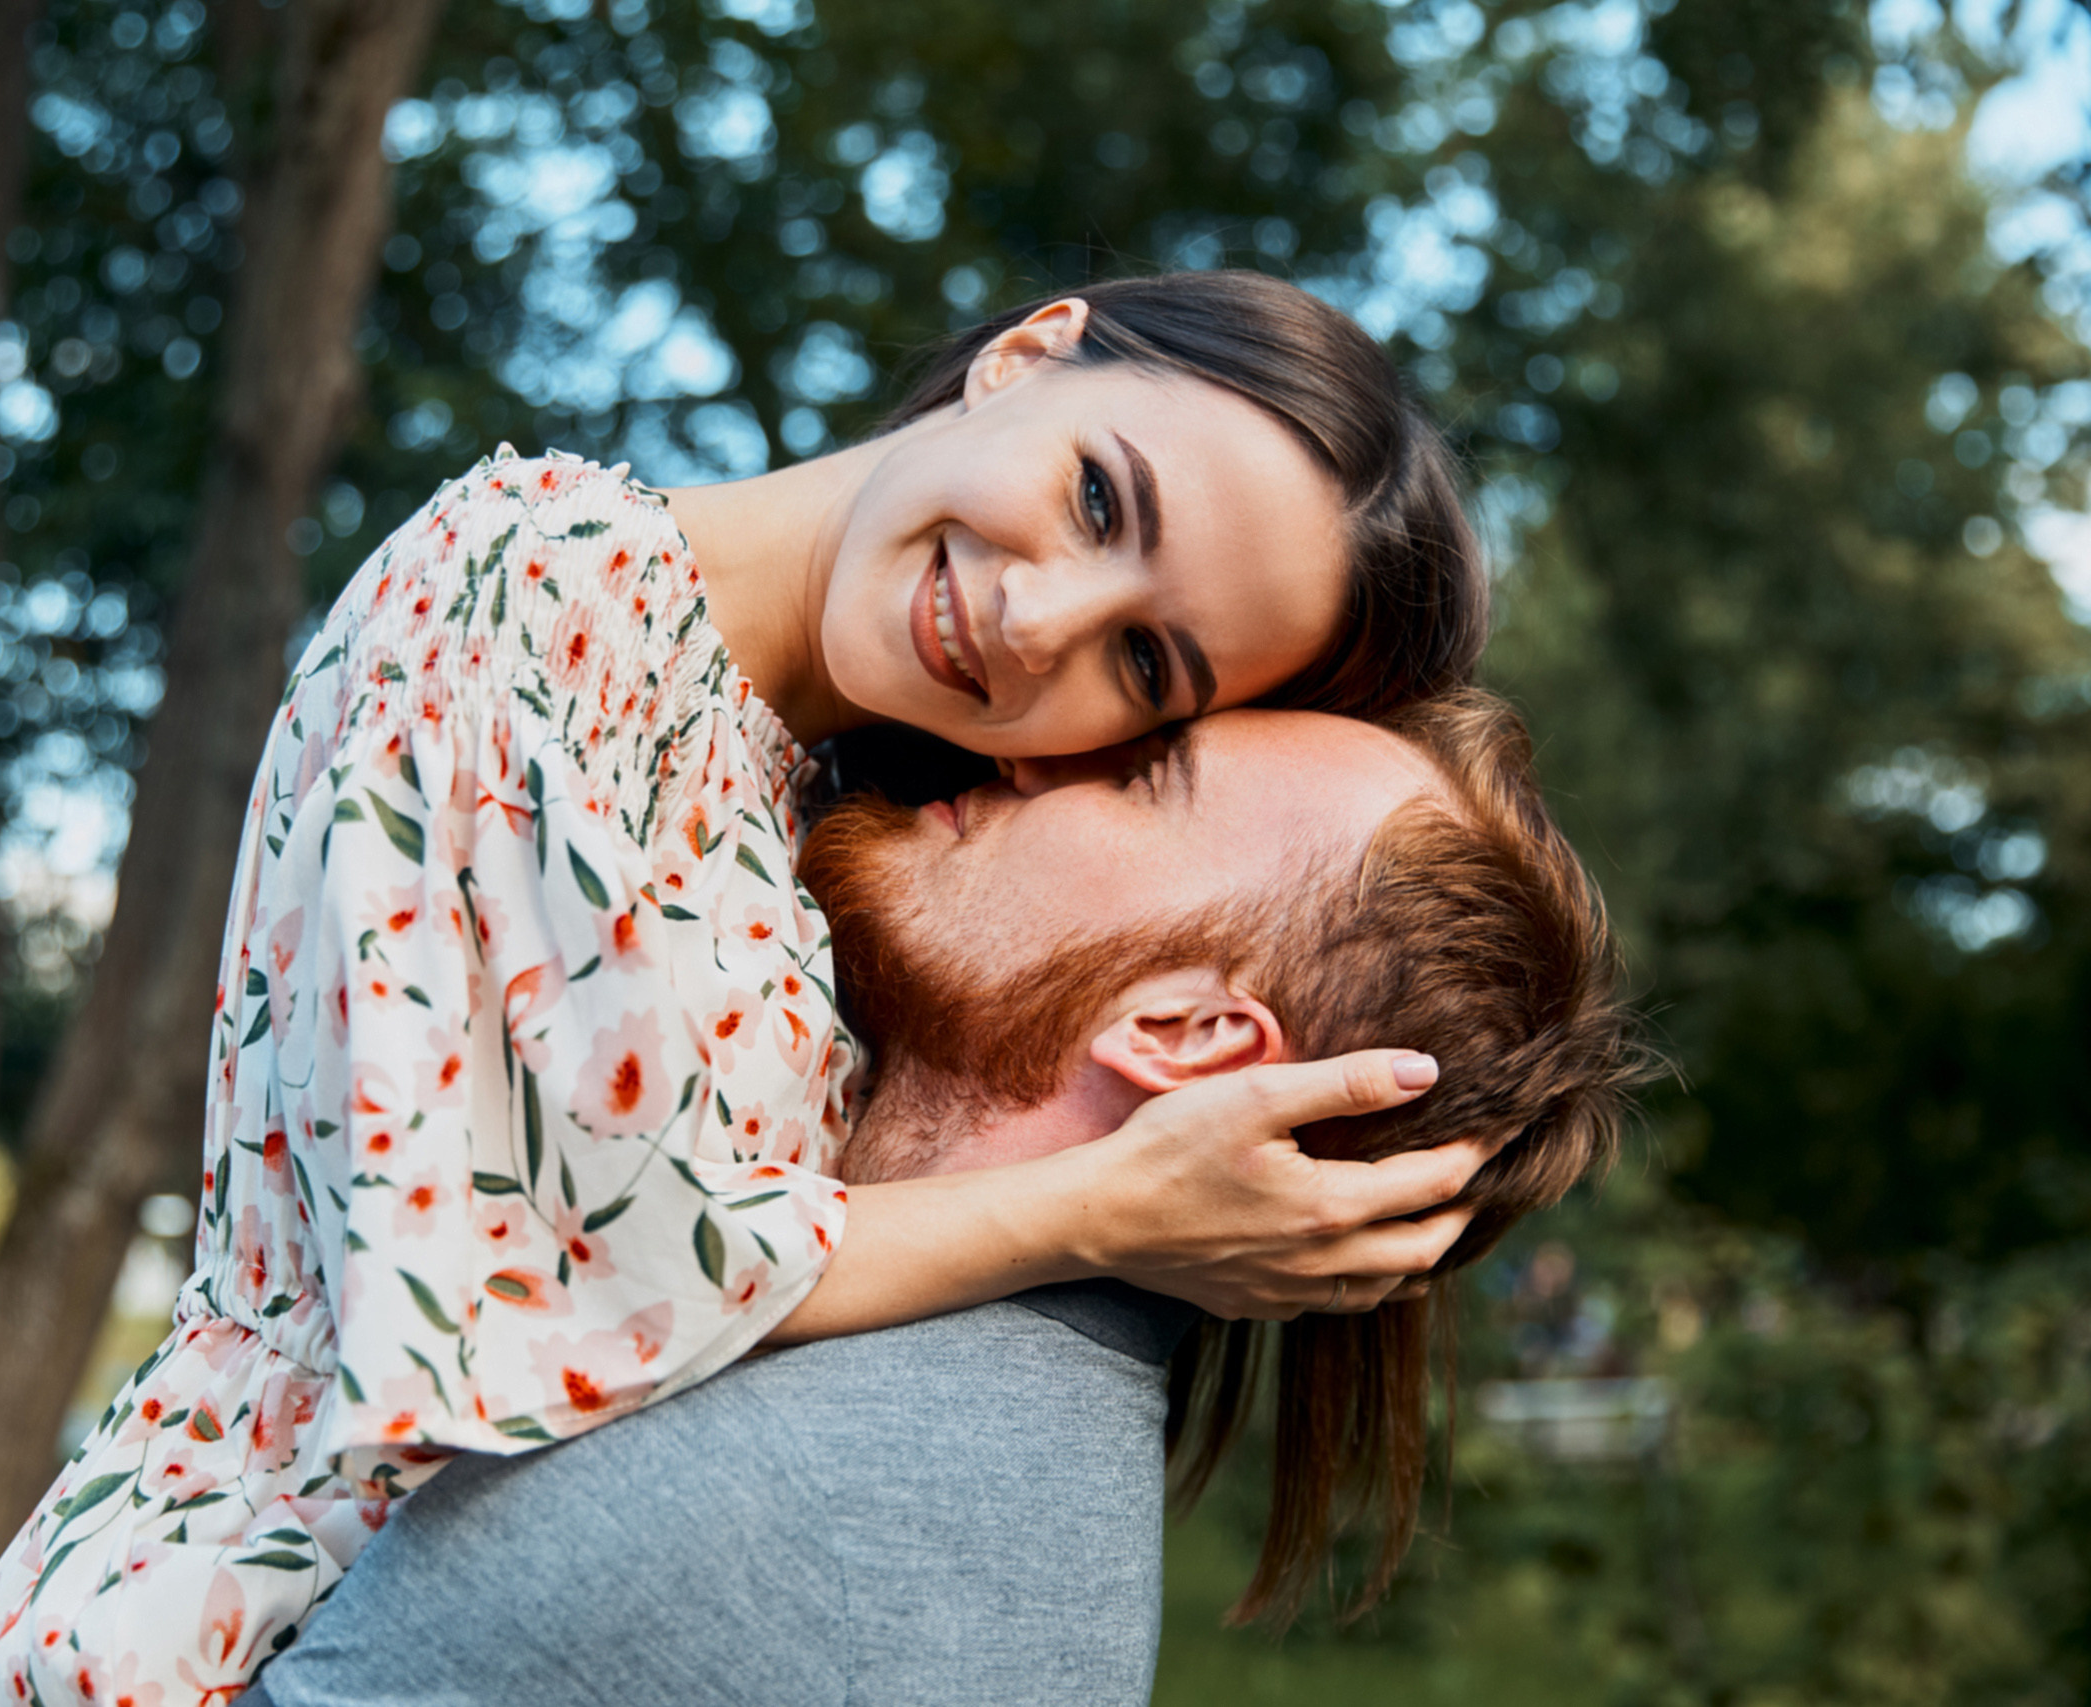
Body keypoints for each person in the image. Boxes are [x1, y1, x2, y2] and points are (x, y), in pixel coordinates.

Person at [0, 271, 1499, 1706]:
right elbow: (553, 1277)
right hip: (212, 1623)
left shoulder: (828, 797)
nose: (1039, 623)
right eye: (1098, 497)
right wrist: (1101, 1206)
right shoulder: (534, 596)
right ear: (1027, 355)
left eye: (1147, 669)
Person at [237, 692, 1640, 1707]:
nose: (1035, 744)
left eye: (1145, 770)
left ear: (1188, 1034)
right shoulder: (973, 1450)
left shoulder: (779, 1496)